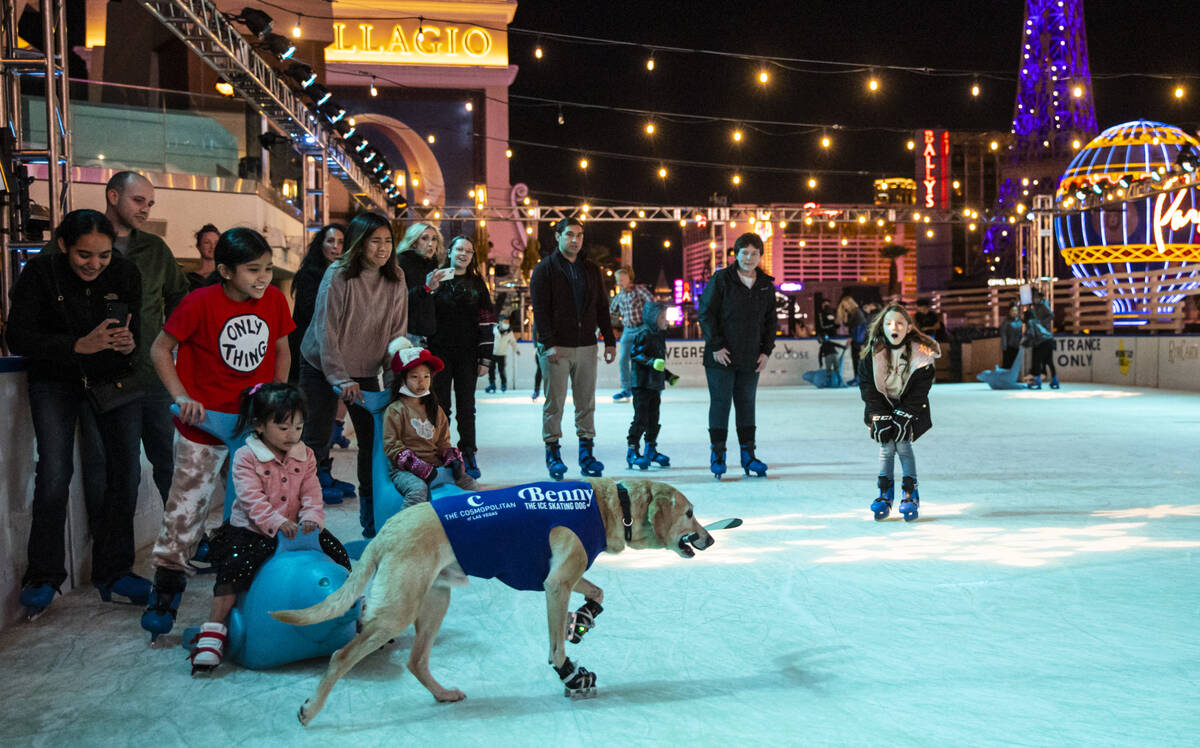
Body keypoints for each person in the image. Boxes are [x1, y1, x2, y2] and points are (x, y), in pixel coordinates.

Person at [142, 227, 294, 635]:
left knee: (258, 505)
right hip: (203, 425)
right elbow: (160, 348)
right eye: (252, 270)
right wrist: (182, 395)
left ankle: (257, 578)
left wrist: (276, 396)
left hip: (251, 427)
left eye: (267, 269)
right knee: (186, 508)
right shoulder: (198, 303)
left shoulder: (275, 300)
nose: (262, 278)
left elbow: (281, 348)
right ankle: (167, 584)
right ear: (225, 271)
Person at [6, 209, 149, 617]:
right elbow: (17, 335)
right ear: (64, 245)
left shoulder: (125, 273)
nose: (95, 264)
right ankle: (44, 574)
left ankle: (115, 570)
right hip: (56, 381)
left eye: (103, 255)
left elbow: (133, 332)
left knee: (126, 471)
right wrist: (75, 346)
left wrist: (126, 345)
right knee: (54, 472)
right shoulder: (39, 274)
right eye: (85, 255)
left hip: (113, 380)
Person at [45, 172, 190, 509]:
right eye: (138, 200)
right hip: (98, 376)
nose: (145, 210)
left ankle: (186, 539)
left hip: (151, 374)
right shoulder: (71, 243)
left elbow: (181, 300)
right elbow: (38, 293)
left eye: (150, 203)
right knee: (112, 470)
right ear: (112, 196)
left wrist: (168, 345)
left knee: (169, 463)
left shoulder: (154, 248)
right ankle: (107, 551)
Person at [188, 382, 350, 674]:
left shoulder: (306, 455)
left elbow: (312, 492)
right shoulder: (246, 457)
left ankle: (353, 612)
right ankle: (213, 631)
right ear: (260, 425)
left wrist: (312, 517)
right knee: (234, 569)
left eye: (298, 428)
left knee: (338, 554)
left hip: (300, 531)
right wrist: (277, 522)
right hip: (254, 530)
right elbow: (251, 499)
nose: (293, 435)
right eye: (284, 427)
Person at [300, 212, 408, 538]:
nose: (383, 248)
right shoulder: (338, 274)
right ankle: (301, 522)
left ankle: (371, 518)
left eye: (388, 241)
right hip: (321, 365)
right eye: (375, 241)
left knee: (374, 442)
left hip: (364, 371)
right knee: (314, 442)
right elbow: (326, 330)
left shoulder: (396, 278)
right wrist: (339, 378)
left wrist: (394, 384)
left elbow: (397, 334)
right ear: (360, 243)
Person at [530, 218, 616, 480]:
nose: (575, 240)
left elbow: (601, 305)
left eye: (579, 235)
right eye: (569, 235)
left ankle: (586, 453)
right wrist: (548, 343)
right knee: (554, 403)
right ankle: (553, 452)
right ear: (557, 236)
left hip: (587, 346)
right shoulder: (544, 269)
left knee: (586, 403)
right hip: (557, 347)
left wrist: (609, 339)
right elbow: (540, 310)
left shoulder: (591, 269)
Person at [697, 232, 776, 479]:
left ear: (760, 256)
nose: (749, 257)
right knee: (720, 404)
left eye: (754, 253)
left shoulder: (765, 284)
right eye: (745, 252)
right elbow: (705, 314)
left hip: (750, 356)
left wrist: (766, 351)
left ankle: (748, 455)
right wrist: (716, 346)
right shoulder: (721, 279)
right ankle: (718, 454)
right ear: (736, 254)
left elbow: (771, 321)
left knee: (746, 405)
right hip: (721, 357)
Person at [287, 223, 353, 503]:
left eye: (340, 241)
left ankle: (322, 470)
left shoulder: (346, 275)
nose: (336, 246)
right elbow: (311, 314)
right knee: (314, 419)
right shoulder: (310, 276)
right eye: (330, 241)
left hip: (333, 352)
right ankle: (310, 481)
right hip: (310, 353)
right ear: (321, 245)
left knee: (326, 417)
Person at [857, 304, 940, 522]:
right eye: (889, 323)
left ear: (909, 328)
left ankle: (910, 492)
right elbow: (867, 387)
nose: (895, 327)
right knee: (886, 447)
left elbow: (920, 391)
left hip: (909, 408)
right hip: (883, 407)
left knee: (903, 446)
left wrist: (905, 414)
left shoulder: (922, 355)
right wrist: (879, 415)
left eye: (900, 323)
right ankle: (884, 493)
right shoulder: (871, 354)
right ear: (882, 327)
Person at [382, 340, 481, 509]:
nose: (421, 382)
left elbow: (443, 442)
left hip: (436, 465)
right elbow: (392, 446)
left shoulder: (435, 409)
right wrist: (418, 467)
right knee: (418, 490)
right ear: (403, 380)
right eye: (414, 377)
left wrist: (453, 459)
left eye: (426, 377)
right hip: (405, 471)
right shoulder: (396, 410)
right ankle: (404, 529)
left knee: (471, 485)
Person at [427, 235, 494, 480]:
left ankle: (468, 451)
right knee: (440, 406)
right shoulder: (438, 279)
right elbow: (425, 314)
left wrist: (485, 357)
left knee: (467, 407)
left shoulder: (478, 284)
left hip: (468, 354)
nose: (463, 254)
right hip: (439, 354)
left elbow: (487, 322)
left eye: (468, 250)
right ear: (450, 252)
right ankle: (443, 452)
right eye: (459, 249)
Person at [625, 300, 678, 470]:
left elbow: (659, 363)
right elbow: (635, 355)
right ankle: (632, 451)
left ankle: (650, 449)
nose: (665, 320)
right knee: (641, 418)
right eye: (662, 317)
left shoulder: (659, 335)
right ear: (652, 317)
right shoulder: (644, 334)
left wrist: (668, 376)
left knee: (654, 419)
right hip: (641, 385)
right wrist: (651, 361)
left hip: (655, 385)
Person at [396, 222, 450, 346]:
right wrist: (426, 288)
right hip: (408, 333)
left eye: (434, 239)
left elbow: (430, 301)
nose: (431, 244)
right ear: (414, 242)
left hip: (429, 334)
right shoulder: (402, 263)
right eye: (424, 238)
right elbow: (400, 301)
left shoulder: (431, 263)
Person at [608, 266, 653, 403]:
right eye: (617, 280)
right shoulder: (619, 296)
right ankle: (627, 389)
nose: (619, 282)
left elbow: (652, 303)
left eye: (622, 279)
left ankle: (647, 388)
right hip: (627, 330)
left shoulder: (639, 290)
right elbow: (611, 312)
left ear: (629, 278)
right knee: (623, 360)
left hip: (641, 328)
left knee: (642, 360)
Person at [1025, 290, 1058, 389]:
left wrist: (1041, 323)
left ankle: (1038, 381)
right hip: (1048, 338)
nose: (1035, 299)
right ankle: (1055, 380)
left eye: (1036, 298)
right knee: (1049, 361)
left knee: (1037, 361)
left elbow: (1051, 315)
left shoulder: (1043, 306)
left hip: (1041, 339)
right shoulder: (1036, 307)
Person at [835, 292, 867, 381]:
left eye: (846, 304)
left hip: (858, 338)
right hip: (856, 338)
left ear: (850, 303)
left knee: (857, 358)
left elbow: (857, 327)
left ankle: (858, 378)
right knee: (855, 358)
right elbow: (849, 325)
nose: (845, 307)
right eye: (843, 305)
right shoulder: (852, 312)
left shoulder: (856, 312)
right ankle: (856, 377)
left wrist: (858, 341)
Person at [486, 312, 519, 393]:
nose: (506, 323)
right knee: (491, 370)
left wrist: (516, 350)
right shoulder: (494, 330)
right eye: (504, 321)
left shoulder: (509, 332)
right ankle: (492, 384)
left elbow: (513, 342)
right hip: (493, 353)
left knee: (501, 370)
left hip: (502, 354)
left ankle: (503, 385)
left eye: (507, 322)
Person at [187, 224, 219, 291]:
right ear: (198, 246)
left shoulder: (226, 278)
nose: (212, 247)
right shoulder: (188, 279)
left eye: (216, 243)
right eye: (207, 242)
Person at [1000, 301, 1024, 369]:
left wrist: (1021, 344)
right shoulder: (1006, 322)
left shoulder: (1019, 322)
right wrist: (1004, 347)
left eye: (1016, 310)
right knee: (1007, 365)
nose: (1014, 312)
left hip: (1017, 347)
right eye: (1013, 310)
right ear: (1009, 311)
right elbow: (1003, 334)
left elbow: (1020, 335)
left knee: (1015, 365)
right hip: (1008, 347)